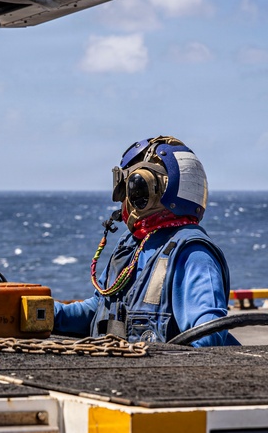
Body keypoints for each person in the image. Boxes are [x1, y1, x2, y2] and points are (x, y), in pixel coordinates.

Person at [53, 136, 235, 347]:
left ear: (141, 189)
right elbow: (98, 309)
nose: (123, 200)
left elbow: (208, 339)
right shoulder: (130, 246)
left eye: (126, 189)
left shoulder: (192, 253)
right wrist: (35, 312)